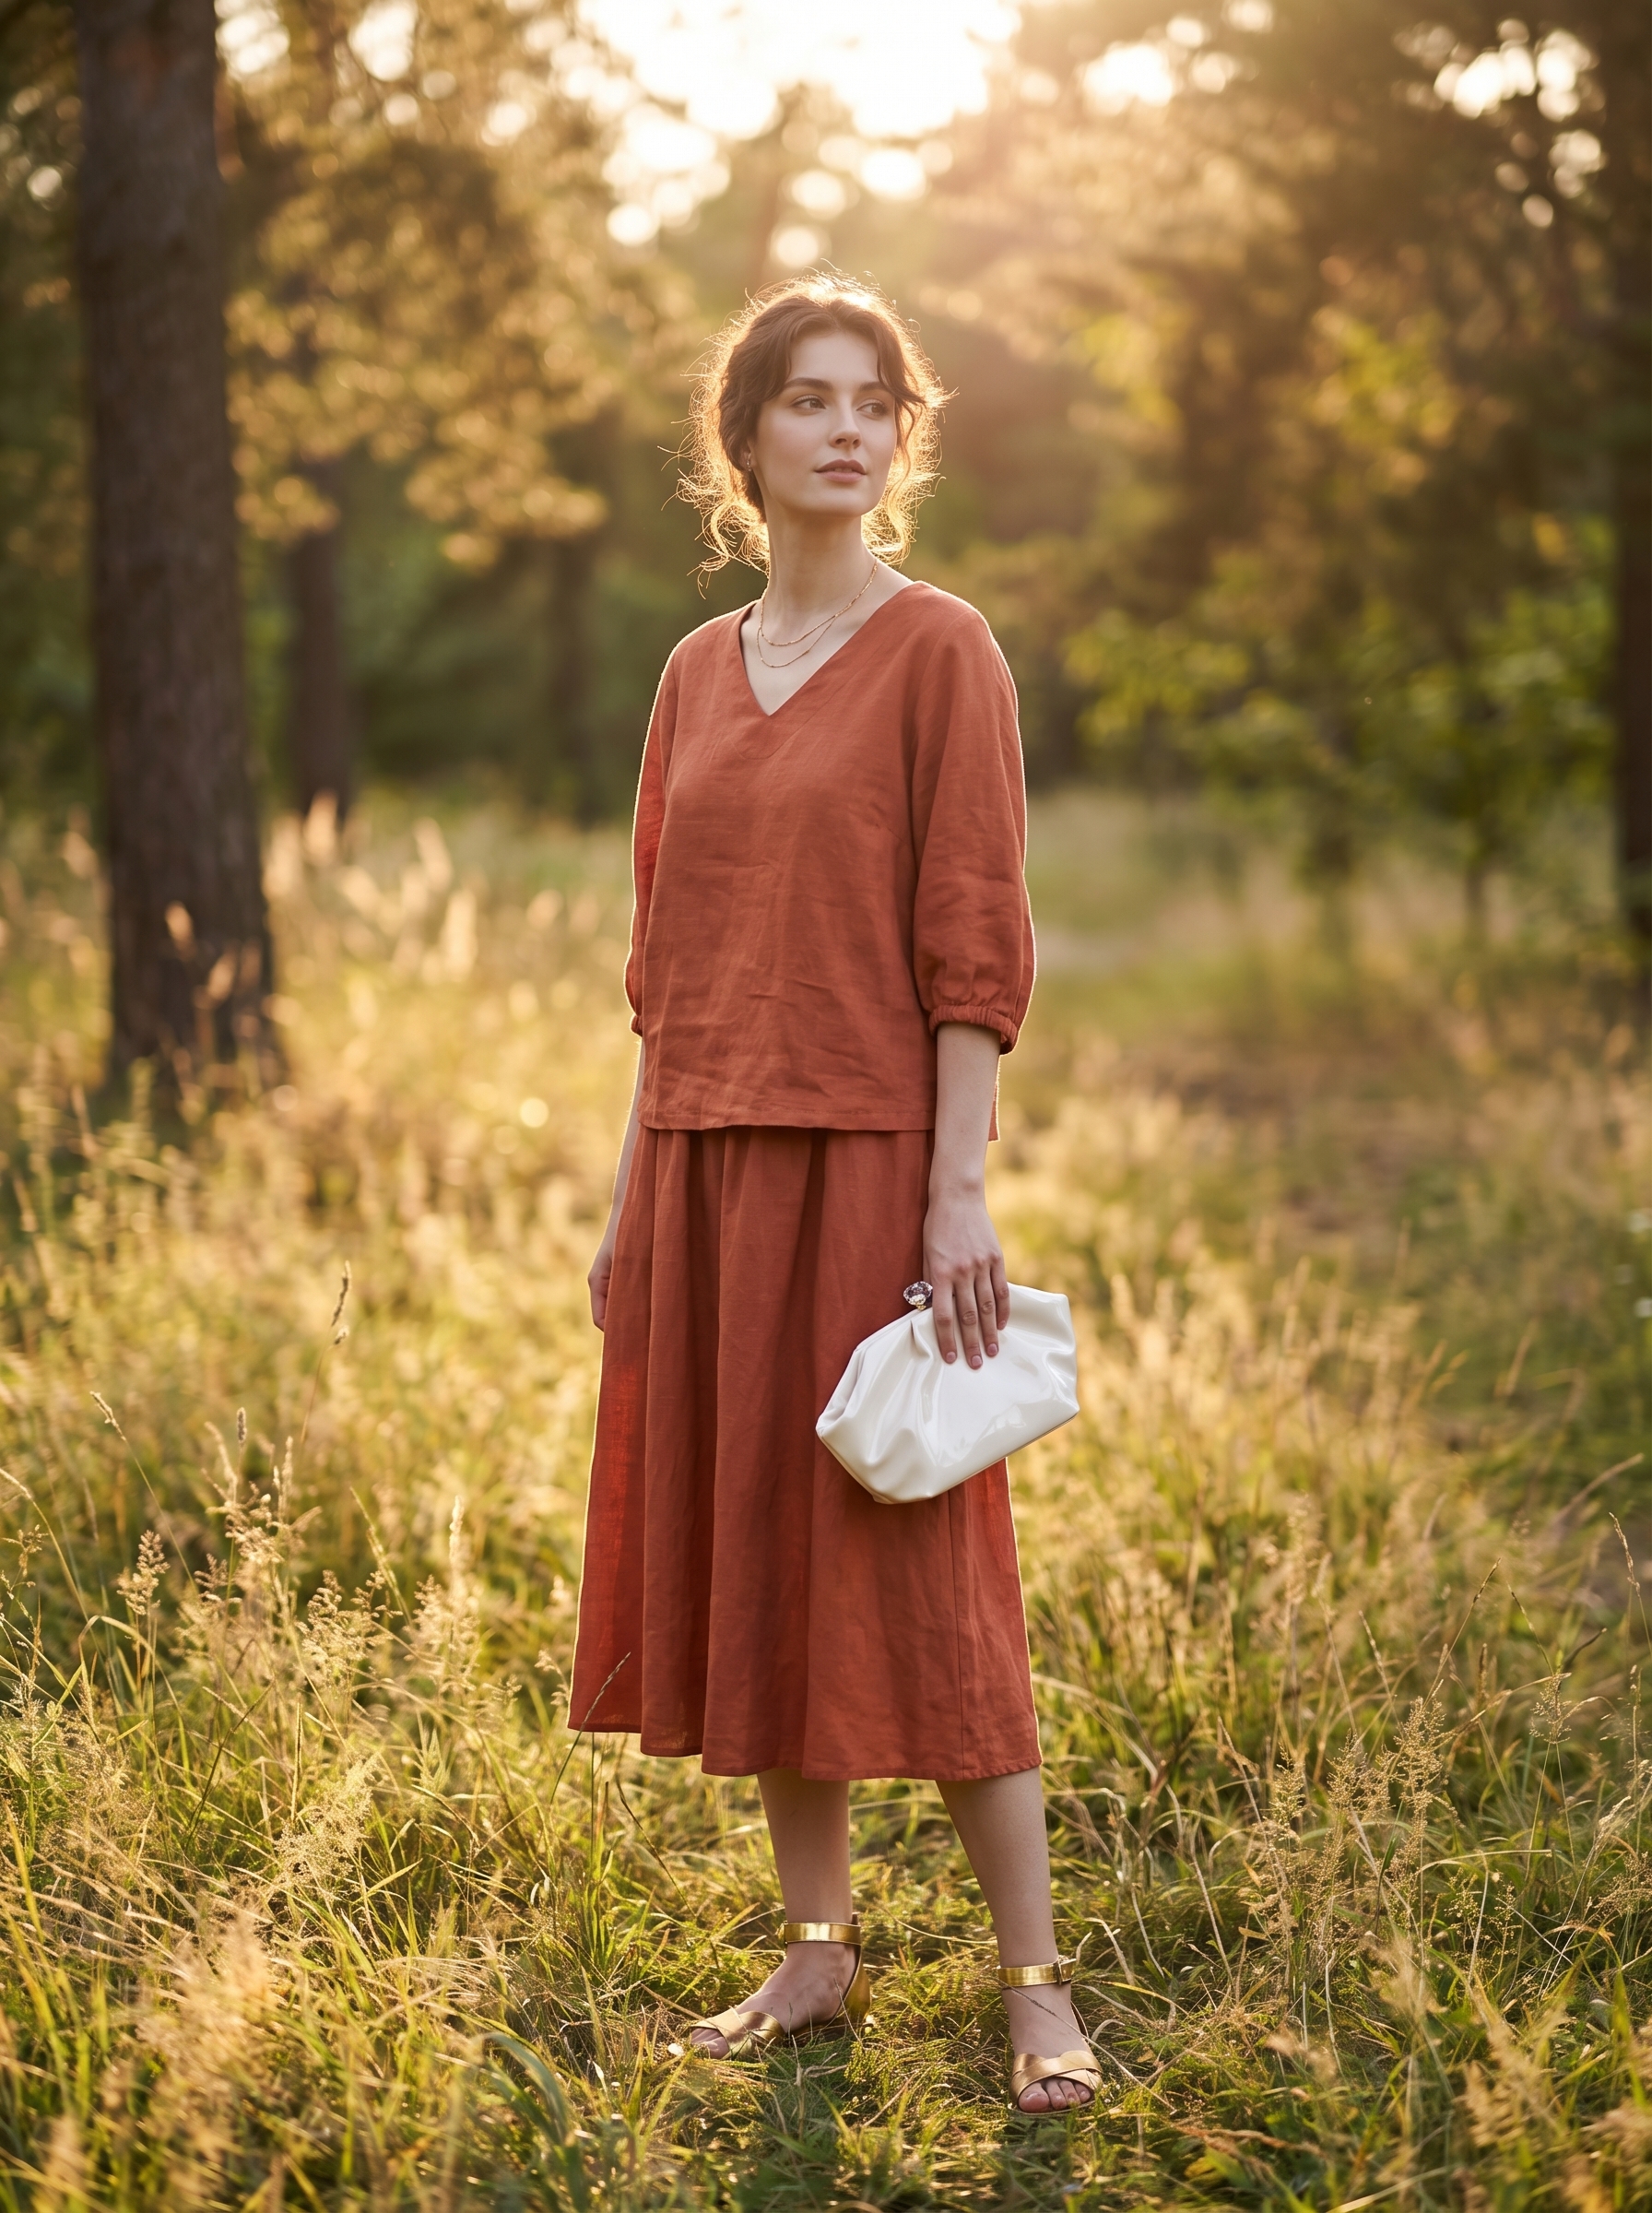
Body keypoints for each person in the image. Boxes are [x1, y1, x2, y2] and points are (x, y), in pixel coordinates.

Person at [568, 275, 1098, 2117]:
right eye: (806, 398)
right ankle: (815, 1952)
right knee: (767, 1560)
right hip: (705, 1165)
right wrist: (636, 1197)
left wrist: (955, 1196)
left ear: (902, 436)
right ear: (745, 439)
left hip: (872, 1165)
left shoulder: (940, 647)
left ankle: (1032, 1983)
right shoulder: (689, 674)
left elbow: (972, 948)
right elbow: (665, 961)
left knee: (921, 1558)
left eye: (874, 399)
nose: (846, 426)